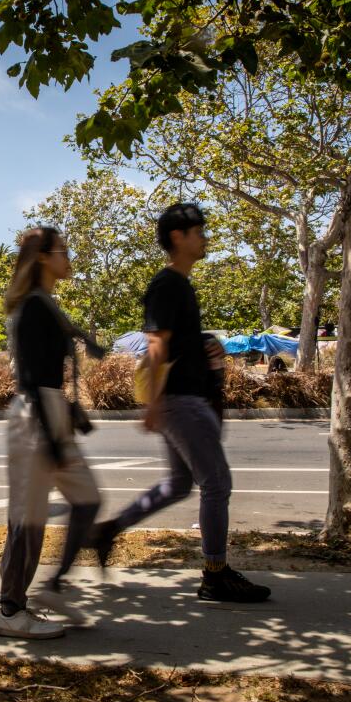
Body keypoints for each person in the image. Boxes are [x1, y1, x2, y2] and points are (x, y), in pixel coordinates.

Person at [91, 203, 271, 603]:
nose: (205, 237)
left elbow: (176, 343)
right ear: (178, 237)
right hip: (181, 401)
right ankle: (215, 574)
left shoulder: (180, 285)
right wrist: (153, 403)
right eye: (199, 231)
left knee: (177, 485)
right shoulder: (167, 285)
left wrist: (205, 344)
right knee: (217, 484)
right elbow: (156, 346)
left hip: (183, 399)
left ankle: (108, 530)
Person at [0, 226, 102, 640]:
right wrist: (54, 439)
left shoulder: (46, 304)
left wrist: (87, 343)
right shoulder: (34, 307)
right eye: (63, 251)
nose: (68, 258)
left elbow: (59, 353)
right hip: (36, 415)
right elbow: (33, 376)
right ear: (43, 257)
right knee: (28, 517)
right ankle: (10, 610)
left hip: (51, 410)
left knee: (88, 500)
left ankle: (54, 588)